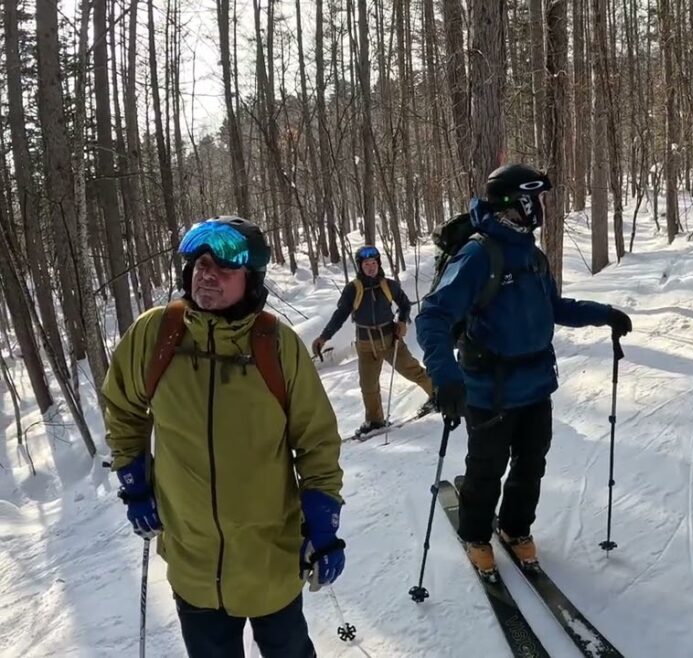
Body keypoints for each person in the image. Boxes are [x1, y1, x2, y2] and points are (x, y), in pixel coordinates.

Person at [103, 216, 345, 657]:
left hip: (270, 557)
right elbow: (122, 408)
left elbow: (317, 442)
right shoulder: (157, 335)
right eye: (199, 263)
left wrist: (323, 519)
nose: (206, 273)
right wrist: (135, 481)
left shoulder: (277, 346)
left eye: (222, 267)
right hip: (191, 561)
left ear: (250, 280)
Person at [415, 164, 633, 575]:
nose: (540, 208)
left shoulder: (532, 256)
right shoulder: (479, 254)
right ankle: (477, 534)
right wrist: (445, 376)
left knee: (532, 463)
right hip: (489, 390)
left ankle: (516, 528)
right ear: (515, 204)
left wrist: (605, 314)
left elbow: (555, 307)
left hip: (535, 386)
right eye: (535, 200)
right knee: (487, 468)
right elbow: (433, 317)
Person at [313, 245, 436, 437]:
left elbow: (404, 304)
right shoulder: (352, 290)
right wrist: (324, 337)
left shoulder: (389, 285)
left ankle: (438, 395)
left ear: (378, 264)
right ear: (360, 267)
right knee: (368, 386)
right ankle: (375, 420)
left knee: (413, 371)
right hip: (365, 345)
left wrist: (402, 322)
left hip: (390, 341)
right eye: (366, 264)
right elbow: (340, 315)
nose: (371, 267)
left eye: (374, 263)